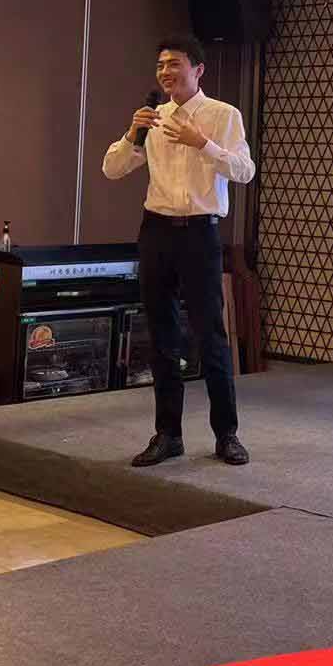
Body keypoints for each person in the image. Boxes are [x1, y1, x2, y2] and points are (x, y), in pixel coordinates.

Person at [102, 35, 256, 467]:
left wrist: (201, 142)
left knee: (211, 335)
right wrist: (132, 133)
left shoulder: (223, 115)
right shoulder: (153, 117)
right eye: (161, 65)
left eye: (174, 64)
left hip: (200, 233)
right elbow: (112, 169)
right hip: (156, 231)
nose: (166, 72)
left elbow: (245, 170)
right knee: (161, 336)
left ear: (198, 70)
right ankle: (168, 434)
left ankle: (227, 434)